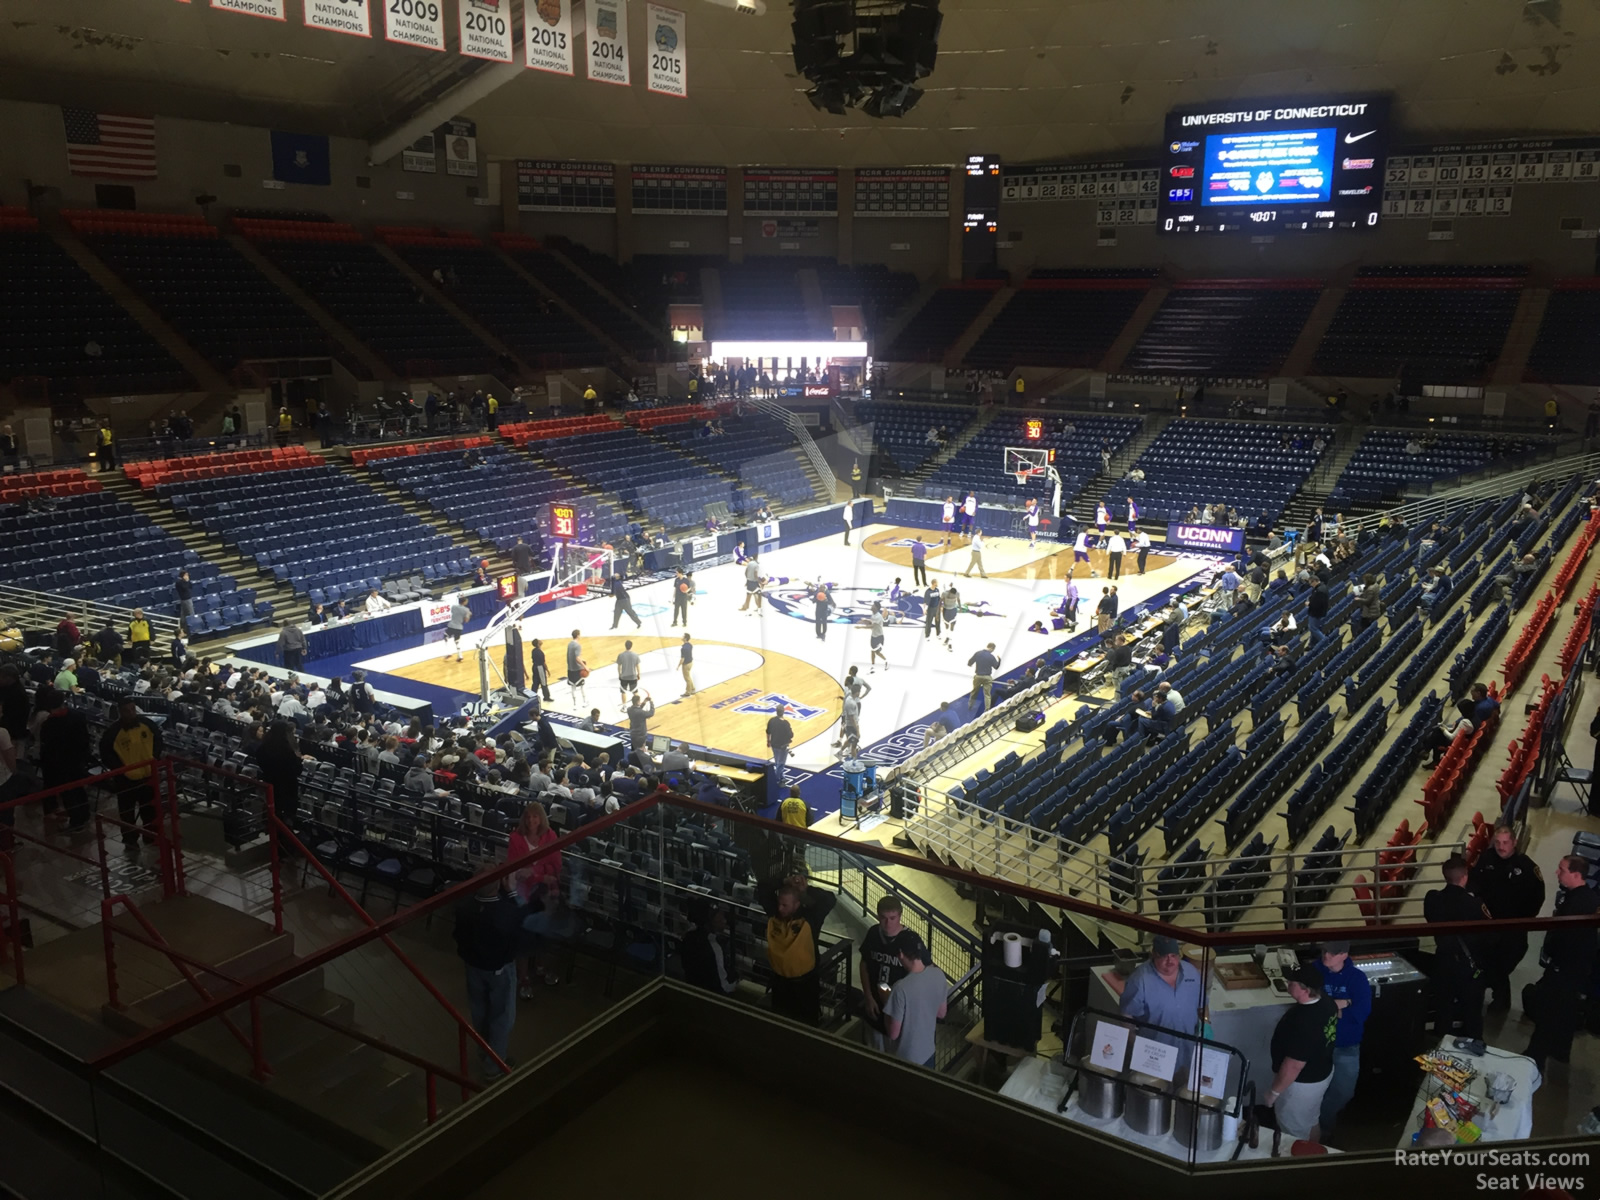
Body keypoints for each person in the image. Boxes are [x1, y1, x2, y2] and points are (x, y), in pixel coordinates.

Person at [1523, 855, 1600, 1072]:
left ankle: (1533, 1057)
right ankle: (1560, 1050)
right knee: (1566, 1010)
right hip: (1578, 969)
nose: (1557, 873)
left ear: (1576, 874)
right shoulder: (1587, 898)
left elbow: (1566, 938)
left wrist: (1553, 956)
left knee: (1548, 1010)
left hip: (1565, 968)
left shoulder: (1577, 904)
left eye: (1562, 869)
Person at [1470, 824, 1546, 1012]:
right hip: (1488, 925)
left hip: (1513, 929)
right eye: (1498, 842)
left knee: (1502, 966)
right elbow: (1474, 884)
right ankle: (1493, 998)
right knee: (1485, 962)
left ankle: (1501, 1000)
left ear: (1514, 842)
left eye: (1505, 843)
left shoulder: (1527, 868)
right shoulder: (1487, 859)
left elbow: (1537, 897)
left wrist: (1523, 920)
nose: (1501, 847)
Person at [453, 878, 522, 1078]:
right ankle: (494, 1065)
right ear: (498, 885)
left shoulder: (465, 906)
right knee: (501, 1016)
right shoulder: (504, 911)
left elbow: (457, 935)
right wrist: (512, 894)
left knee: (480, 1011)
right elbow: (520, 927)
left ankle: (485, 1052)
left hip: (473, 967)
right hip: (499, 970)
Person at [1265, 965, 1338, 1150]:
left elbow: (1293, 1066)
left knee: (1292, 1131)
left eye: (1292, 982)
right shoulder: (1327, 1002)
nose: (1288, 984)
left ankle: (1297, 1167)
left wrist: (1273, 1093)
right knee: (1311, 1120)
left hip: (1301, 1086)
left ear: (1305, 989)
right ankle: (1315, 1152)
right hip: (1322, 1073)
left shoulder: (1303, 1023)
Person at [1422, 854, 1493, 1039]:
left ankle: (1440, 1053)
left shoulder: (1432, 899)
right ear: (1465, 876)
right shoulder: (1475, 904)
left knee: (1442, 1012)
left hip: (1442, 962)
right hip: (1467, 968)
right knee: (1472, 1015)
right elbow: (1490, 935)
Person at [1314, 941, 1372, 1145]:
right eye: (1324, 950)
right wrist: (1343, 1004)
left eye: (1332, 952)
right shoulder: (1314, 970)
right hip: (1318, 1043)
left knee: (1344, 1092)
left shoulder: (1357, 978)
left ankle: (1321, 1123)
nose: (1326, 955)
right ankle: (1320, 1131)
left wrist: (1327, 1006)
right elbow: (1310, 1004)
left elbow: (1361, 1013)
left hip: (1347, 1046)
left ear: (1344, 955)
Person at [509, 802, 563, 995]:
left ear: (542, 818)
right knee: (524, 936)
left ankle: (540, 968)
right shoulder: (515, 838)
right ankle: (523, 978)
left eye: (536, 816)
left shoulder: (551, 836)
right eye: (528, 816)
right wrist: (541, 874)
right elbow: (516, 871)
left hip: (545, 894)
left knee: (542, 933)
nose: (532, 820)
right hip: (523, 895)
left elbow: (556, 867)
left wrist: (534, 872)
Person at [99, 698, 163, 855]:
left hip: (148, 775)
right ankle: (130, 841)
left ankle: (151, 836)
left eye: (133, 709)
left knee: (149, 809)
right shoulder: (113, 732)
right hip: (126, 780)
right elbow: (106, 754)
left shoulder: (148, 725)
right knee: (127, 813)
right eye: (127, 710)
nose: (131, 713)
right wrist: (121, 769)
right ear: (120, 712)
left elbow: (158, 741)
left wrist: (154, 758)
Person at [1118, 935, 1204, 1054]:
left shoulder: (1191, 973)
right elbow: (1126, 1016)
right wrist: (1137, 1046)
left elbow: (1203, 1003)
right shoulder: (1139, 980)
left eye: (1173, 956)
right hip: (1155, 1054)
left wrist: (1206, 1023)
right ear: (1153, 954)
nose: (1170, 961)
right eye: (1164, 956)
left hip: (1187, 1051)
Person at [859, 895, 918, 1050]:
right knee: (873, 1049)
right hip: (876, 1006)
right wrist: (868, 996)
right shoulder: (873, 933)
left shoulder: (910, 940)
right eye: (884, 918)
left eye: (892, 918)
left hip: (898, 1010)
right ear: (878, 916)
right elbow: (864, 964)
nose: (888, 923)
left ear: (900, 916)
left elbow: (919, 976)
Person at [883, 931, 948, 1068]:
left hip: (906, 1060)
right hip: (929, 1052)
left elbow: (893, 1034)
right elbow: (941, 1013)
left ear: (900, 954)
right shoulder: (938, 974)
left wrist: (887, 1005)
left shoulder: (900, 989)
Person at [766, 883, 821, 1025]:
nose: (780, 908)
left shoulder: (809, 919)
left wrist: (806, 889)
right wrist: (783, 880)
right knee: (779, 1023)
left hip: (804, 986)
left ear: (797, 905)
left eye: (785, 905)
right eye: (779, 904)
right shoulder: (774, 915)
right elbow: (763, 889)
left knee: (806, 1025)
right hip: (779, 983)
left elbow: (829, 900)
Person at [253, 721, 306, 853]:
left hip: (270, 783)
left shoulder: (263, 747)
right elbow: (297, 770)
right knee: (287, 814)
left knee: (275, 811)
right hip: (287, 786)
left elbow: (260, 761)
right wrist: (298, 761)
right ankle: (284, 844)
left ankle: (278, 839)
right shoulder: (286, 750)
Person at [680, 900, 738, 995]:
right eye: (718, 914)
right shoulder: (713, 947)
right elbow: (724, 987)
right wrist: (738, 984)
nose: (723, 918)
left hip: (691, 991)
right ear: (710, 920)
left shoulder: (688, 937)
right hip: (711, 997)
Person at [766, 704, 794, 794]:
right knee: (780, 764)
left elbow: (768, 731)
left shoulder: (771, 720)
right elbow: (791, 735)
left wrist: (768, 741)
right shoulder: (785, 723)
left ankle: (781, 777)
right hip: (783, 746)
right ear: (783, 712)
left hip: (774, 744)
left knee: (777, 761)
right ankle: (777, 780)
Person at [626, 690, 655, 766]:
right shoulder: (640, 712)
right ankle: (641, 764)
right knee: (641, 751)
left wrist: (644, 702)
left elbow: (638, 709)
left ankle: (632, 763)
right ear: (638, 701)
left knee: (634, 750)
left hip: (633, 733)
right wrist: (651, 703)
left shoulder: (629, 709)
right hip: (641, 734)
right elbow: (651, 713)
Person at [968, 643, 1000, 710]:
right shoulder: (991, 656)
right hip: (987, 677)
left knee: (974, 692)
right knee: (987, 695)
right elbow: (996, 667)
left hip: (978, 676)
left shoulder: (978, 653)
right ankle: (987, 710)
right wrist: (999, 660)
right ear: (992, 648)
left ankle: (970, 705)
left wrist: (971, 665)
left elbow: (969, 663)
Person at [445, 597, 471, 662]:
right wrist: (468, 615)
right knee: (457, 641)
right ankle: (460, 656)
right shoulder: (466, 610)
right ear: (464, 602)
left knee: (445, 637)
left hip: (451, 625)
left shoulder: (453, 607)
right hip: (459, 627)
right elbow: (466, 620)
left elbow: (453, 613)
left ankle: (449, 652)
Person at [616, 640, 641, 706]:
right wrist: (639, 674)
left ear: (625, 646)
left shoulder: (621, 655)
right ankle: (638, 704)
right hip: (633, 676)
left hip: (624, 677)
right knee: (635, 691)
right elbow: (637, 666)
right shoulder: (635, 655)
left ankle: (624, 706)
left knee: (623, 691)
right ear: (631, 646)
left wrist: (619, 674)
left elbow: (619, 666)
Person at [565, 629, 587, 701]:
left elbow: (571, 656)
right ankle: (584, 701)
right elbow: (577, 658)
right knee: (582, 687)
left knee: (572, 687)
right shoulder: (577, 645)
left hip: (570, 669)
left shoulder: (569, 644)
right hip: (577, 670)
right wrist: (585, 666)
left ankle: (575, 704)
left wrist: (582, 659)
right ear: (578, 635)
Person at [529, 637, 553, 703]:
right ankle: (546, 697)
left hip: (534, 667)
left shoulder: (533, 650)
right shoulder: (540, 652)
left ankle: (532, 696)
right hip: (540, 668)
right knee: (543, 683)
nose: (540, 640)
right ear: (538, 644)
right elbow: (543, 662)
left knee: (535, 683)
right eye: (539, 640)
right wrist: (547, 670)